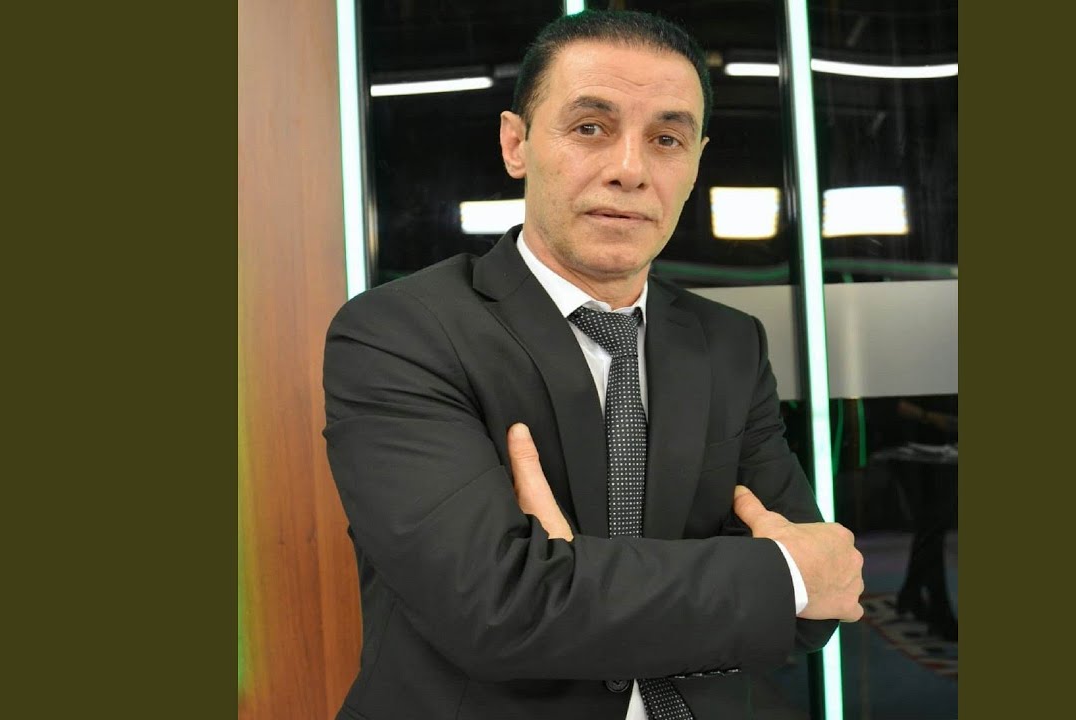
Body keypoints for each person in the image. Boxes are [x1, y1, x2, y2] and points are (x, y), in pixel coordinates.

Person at [323, 10, 864, 720]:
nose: (630, 170)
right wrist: (774, 578)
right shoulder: (401, 334)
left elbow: (822, 599)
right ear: (515, 144)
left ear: (696, 162)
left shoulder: (729, 343)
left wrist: (567, 579)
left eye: (666, 140)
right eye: (590, 128)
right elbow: (497, 610)